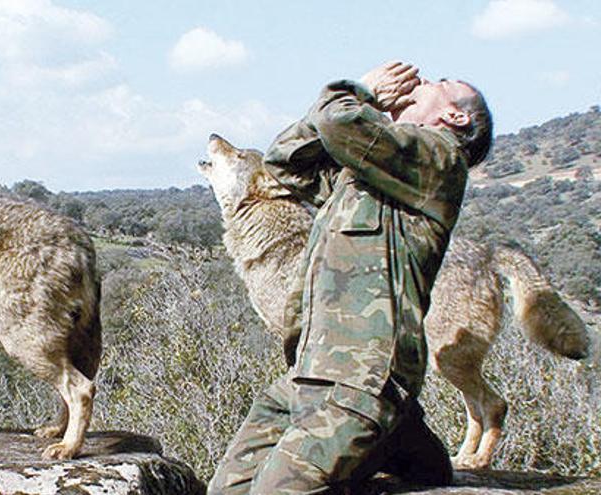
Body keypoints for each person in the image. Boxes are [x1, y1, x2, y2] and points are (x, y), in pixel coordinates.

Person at [207, 61, 493, 494]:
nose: (420, 80)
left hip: (362, 380)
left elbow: (336, 120)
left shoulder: (441, 157)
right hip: (311, 376)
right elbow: (283, 163)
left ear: (455, 116)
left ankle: (391, 429)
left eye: (437, 83)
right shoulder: (364, 175)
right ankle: (403, 441)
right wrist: (360, 104)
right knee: (228, 488)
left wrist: (365, 93)